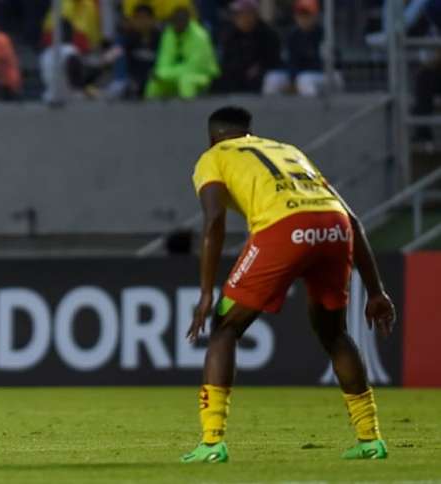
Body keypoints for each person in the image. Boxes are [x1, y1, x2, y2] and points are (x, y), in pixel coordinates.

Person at [182, 106, 396, 463]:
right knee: (334, 333)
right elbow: (353, 220)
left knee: (225, 326)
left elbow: (214, 218)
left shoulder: (212, 157)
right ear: (252, 133)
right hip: (334, 226)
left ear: (212, 137)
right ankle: (370, 439)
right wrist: (376, 291)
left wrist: (206, 292)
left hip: (283, 229)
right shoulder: (288, 150)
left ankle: (211, 441)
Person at [262, 0, 343, 96]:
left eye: (307, 15)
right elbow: (291, 61)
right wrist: (293, 79)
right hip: (301, 75)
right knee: (272, 78)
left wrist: (296, 79)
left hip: (329, 76)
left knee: (304, 79)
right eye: (300, 15)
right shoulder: (293, 36)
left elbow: (327, 64)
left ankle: (312, 111)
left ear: (315, 15)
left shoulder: (323, 35)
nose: (303, 18)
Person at [144, 4, 219, 99]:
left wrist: (162, 74)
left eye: (182, 20)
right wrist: (161, 74)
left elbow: (193, 67)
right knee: (153, 84)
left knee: (186, 81)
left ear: (188, 20)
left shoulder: (200, 36)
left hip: (203, 75)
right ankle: (151, 113)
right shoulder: (169, 34)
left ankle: (188, 113)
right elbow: (163, 63)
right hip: (175, 76)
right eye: (176, 21)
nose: (179, 23)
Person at [211, 0, 281, 94]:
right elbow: (225, 61)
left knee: (271, 78)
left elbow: (274, 60)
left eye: (249, 14)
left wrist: (260, 67)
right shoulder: (228, 35)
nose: (245, 18)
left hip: (260, 76)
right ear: (234, 17)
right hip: (235, 75)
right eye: (241, 14)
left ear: (256, 15)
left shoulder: (268, 34)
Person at [120, 4, 161, 98]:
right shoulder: (128, 38)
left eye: (145, 18)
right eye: (138, 18)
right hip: (134, 79)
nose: (142, 22)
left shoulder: (160, 38)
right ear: (133, 21)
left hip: (154, 79)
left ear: (153, 20)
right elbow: (117, 54)